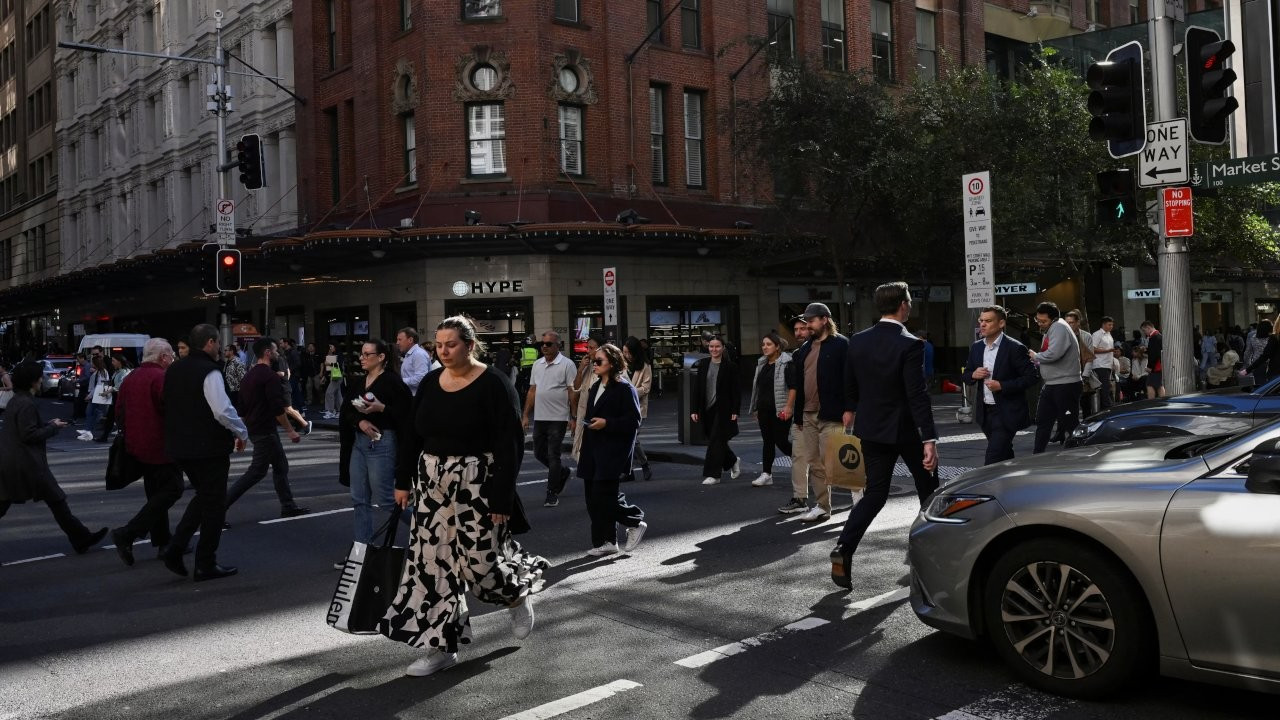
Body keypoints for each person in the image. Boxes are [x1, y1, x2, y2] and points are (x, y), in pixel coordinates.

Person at [381, 316, 547, 677]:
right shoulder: (429, 382)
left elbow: (510, 445)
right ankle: (440, 647)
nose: (443, 351)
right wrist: (403, 480)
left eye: (451, 344)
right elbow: (412, 434)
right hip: (431, 481)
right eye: (438, 345)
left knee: (480, 564)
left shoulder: (495, 384)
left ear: (470, 345)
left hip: (478, 482)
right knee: (431, 567)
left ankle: (515, 596)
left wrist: (502, 498)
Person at [834, 282, 939, 589]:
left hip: (871, 428)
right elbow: (916, 394)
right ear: (903, 305)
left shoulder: (858, 340)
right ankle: (929, 559)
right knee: (929, 493)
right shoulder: (910, 344)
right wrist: (929, 438)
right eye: (909, 301)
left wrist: (851, 411)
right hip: (906, 430)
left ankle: (844, 548)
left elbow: (849, 384)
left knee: (875, 494)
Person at [160, 323, 249, 581]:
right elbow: (222, 410)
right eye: (218, 342)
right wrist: (241, 431)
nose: (220, 347)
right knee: (214, 506)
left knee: (204, 497)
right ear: (209, 343)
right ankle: (205, 562)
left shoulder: (174, 369)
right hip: (208, 448)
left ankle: (176, 548)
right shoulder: (210, 371)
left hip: (180, 446)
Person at [0, 362, 108, 554]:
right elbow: (28, 435)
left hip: (16, 461)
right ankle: (81, 537)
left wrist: (48, 423)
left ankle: (80, 537)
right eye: (40, 377)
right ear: (33, 381)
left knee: (54, 500)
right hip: (28, 463)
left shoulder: (17, 400)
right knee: (55, 500)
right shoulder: (25, 403)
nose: (42, 380)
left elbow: (26, 428)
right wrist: (53, 428)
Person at [109, 339, 184, 566]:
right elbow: (172, 411)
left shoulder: (130, 378)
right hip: (161, 446)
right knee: (174, 489)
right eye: (171, 356)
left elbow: (119, 412)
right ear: (163, 357)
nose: (172, 360)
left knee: (155, 495)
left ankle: (163, 542)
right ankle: (128, 533)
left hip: (136, 447)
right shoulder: (161, 378)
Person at [341, 338, 414, 553]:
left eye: (367, 354)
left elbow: (407, 415)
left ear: (381, 357)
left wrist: (381, 408)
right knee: (359, 499)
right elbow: (347, 410)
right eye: (361, 354)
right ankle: (362, 551)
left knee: (386, 500)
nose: (361, 358)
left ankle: (429, 531)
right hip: (359, 444)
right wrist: (360, 421)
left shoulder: (392, 382)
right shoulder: (359, 381)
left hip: (383, 444)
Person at [225, 338, 310, 521]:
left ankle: (288, 505)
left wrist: (241, 434)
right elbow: (277, 408)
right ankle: (219, 508)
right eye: (275, 349)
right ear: (267, 353)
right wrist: (290, 430)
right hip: (265, 430)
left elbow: (242, 409)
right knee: (256, 472)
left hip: (256, 429)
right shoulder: (269, 377)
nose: (278, 352)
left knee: (280, 466)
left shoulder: (249, 376)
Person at [577, 342, 647, 556]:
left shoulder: (624, 388)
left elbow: (634, 421)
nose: (594, 364)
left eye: (599, 361)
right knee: (592, 499)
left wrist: (607, 423)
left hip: (611, 450)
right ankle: (606, 541)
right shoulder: (596, 385)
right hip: (591, 449)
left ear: (613, 363)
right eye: (593, 360)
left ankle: (635, 522)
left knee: (603, 496)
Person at [789, 303, 851, 522]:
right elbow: (799, 383)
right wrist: (797, 416)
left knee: (834, 461)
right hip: (807, 414)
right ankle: (823, 506)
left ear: (824, 319)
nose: (808, 325)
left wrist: (850, 409)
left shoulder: (842, 345)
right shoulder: (804, 349)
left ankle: (859, 492)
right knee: (814, 462)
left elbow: (850, 379)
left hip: (832, 413)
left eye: (811, 321)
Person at [961, 305, 1039, 465]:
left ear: (1001, 323)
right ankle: (1010, 481)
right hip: (985, 412)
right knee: (1003, 452)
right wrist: (973, 375)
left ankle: (987, 486)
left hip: (1007, 411)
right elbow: (966, 375)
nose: (982, 324)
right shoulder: (977, 347)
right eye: (981, 320)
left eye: (988, 321)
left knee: (993, 456)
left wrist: (1002, 386)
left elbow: (1032, 377)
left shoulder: (1015, 347)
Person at [522, 330, 577, 507]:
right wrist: (525, 415)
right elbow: (532, 390)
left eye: (548, 344)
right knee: (539, 453)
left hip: (558, 417)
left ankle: (551, 492)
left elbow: (572, 392)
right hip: (540, 416)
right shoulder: (537, 365)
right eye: (542, 344)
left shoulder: (567, 365)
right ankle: (563, 472)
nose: (544, 347)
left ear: (558, 345)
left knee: (554, 454)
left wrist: (573, 416)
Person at [1029, 302, 1082, 453]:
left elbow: (1054, 353)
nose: (1040, 323)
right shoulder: (1053, 327)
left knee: (1069, 422)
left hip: (1065, 384)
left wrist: (1036, 356)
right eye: (1037, 320)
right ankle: (1037, 453)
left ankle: (1080, 453)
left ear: (1053, 319)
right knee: (1043, 421)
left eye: (1043, 321)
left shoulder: (1058, 327)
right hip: (1053, 383)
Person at [690, 335, 741, 485]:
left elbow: (735, 391)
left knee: (715, 441)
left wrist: (735, 410)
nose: (714, 349)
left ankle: (714, 474)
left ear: (723, 348)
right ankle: (732, 460)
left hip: (724, 409)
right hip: (707, 409)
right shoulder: (703, 364)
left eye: (717, 346)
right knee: (715, 439)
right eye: (711, 346)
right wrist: (694, 409)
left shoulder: (730, 367)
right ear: (708, 347)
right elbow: (697, 389)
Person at [748, 331, 795, 487]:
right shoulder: (762, 364)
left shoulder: (786, 363)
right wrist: (755, 408)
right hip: (764, 409)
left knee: (781, 441)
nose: (764, 347)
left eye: (768, 344)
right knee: (767, 441)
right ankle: (766, 474)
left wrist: (789, 407)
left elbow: (793, 387)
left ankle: (803, 462)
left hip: (780, 409)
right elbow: (758, 388)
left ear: (777, 347)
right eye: (763, 344)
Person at [778, 317, 813, 514]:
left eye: (803, 328)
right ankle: (800, 498)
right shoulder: (797, 355)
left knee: (829, 457)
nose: (799, 332)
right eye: (796, 329)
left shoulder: (831, 348)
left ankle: (856, 490)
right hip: (801, 414)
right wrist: (791, 408)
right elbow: (794, 387)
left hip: (825, 414)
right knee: (799, 456)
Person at [622, 336, 653, 481]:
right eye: (624, 352)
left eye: (628, 352)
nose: (626, 355)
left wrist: (630, 391)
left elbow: (646, 388)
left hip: (637, 407)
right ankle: (631, 470)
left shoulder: (645, 367)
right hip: (622, 408)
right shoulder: (622, 365)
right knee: (629, 438)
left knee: (631, 438)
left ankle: (642, 465)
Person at [570, 334, 602, 464]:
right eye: (587, 348)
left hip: (600, 416)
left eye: (591, 348)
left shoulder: (608, 367)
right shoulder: (588, 367)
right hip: (586, 414)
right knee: (584, 451)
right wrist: (580, 369)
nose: (588, 351)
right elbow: (576, 388)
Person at [1090, 316, 1119, 411]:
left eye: (1112, 325)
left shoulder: (1109, 334)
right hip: (1100, 364)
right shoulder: (1097, 334)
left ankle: (1108, 405)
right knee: (1105, 387)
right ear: (1103, 324)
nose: (1111, 326)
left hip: (1108, 364)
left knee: (1108, 386)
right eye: (1109, 324)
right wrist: (1108, 350)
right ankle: (1106, 407)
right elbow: (1092, 349)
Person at [83, 354, 113, 441]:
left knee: (92, 412)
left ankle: (88, 430)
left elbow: (99, 385)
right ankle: (88, 430)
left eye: (92, 362)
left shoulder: (102, 372)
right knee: (90, 412)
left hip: (98, 395)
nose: (91, 363)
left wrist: (90, 395)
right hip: (96, 395)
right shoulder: (98, 371)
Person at [397, 327, 433, 396]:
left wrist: (400, 381)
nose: (397, 343)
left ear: (410, 340)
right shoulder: (411, 354)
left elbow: (421, 378)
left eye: (400, 339)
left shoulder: (418, 354)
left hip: (417, 397)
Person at [1141, 321, 1165, 397]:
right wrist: (1147, 350)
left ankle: (1152, 403)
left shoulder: (1154, 337)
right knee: (1158, 385)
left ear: (1148, 327)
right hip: (1159, 365)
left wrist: (1150, 367)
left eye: (1144, 330)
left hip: (1156, 366)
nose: (1145, 333)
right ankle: (1162, 401)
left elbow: (1154, 354)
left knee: (1150, 385)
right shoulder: (1159, 336)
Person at [323, 344, 344, 418]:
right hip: (334, 376)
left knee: (329, 393)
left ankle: (330, 411)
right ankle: (340, 411)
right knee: (338, 394)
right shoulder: (334, 354)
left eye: (331, 346)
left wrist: (329, 363)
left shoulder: (339, 355)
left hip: (337, 376)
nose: (330, 348)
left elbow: (339, 366)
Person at [223, 346, 246, 410]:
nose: (224, 352)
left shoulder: (237, 362)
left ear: (231, 351)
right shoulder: (227, 362)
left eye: (226, 350)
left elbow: (243, 377)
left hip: (235, 392)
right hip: (228, 391)